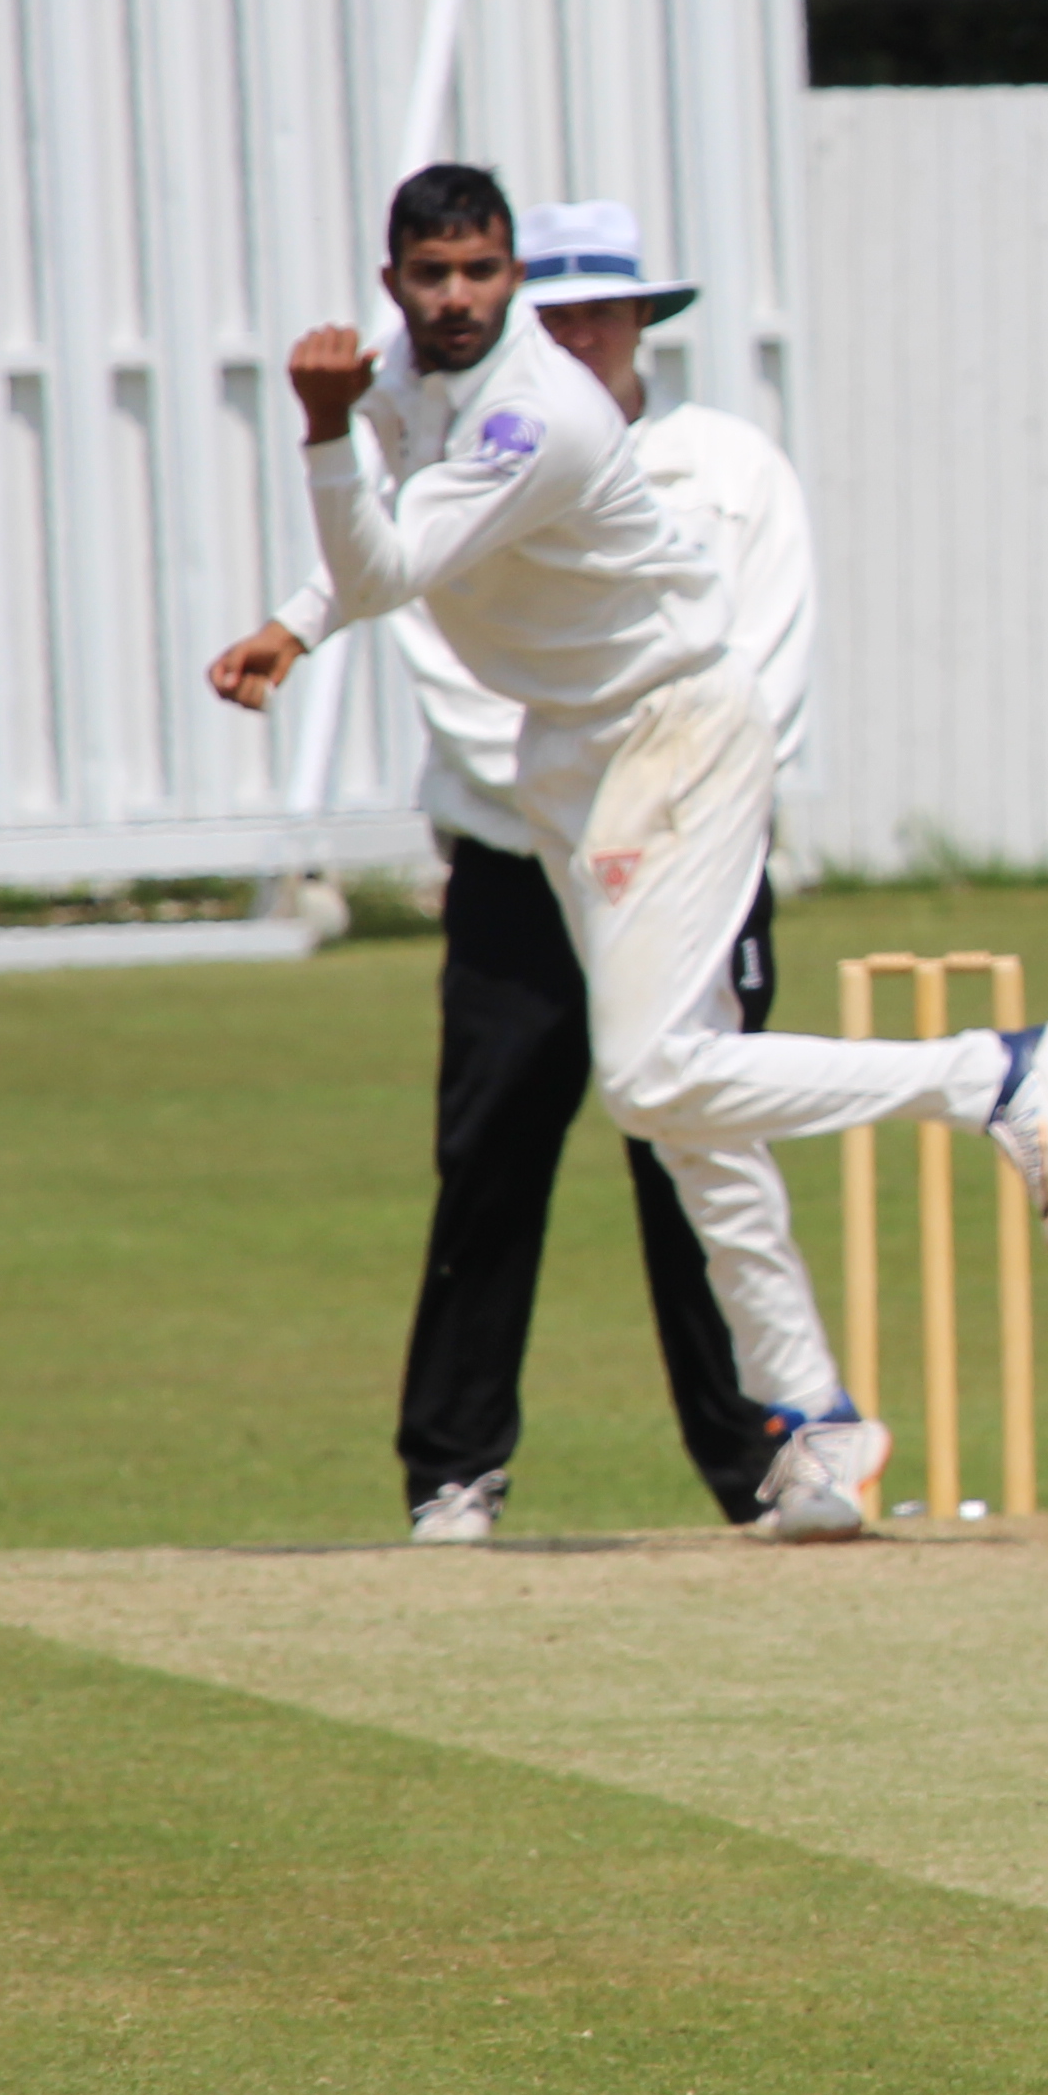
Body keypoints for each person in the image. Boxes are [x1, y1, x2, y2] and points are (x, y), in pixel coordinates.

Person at [206, 162, 1048, 1546]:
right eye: (433, 276)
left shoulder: (535, 415)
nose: (458, 300)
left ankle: (995, 1074)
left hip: (673, 729)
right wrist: (294, 619)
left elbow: (386, 566)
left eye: (479, 275)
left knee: (652, 1075)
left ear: (515, 284)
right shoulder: (409, 372)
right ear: (396, 282)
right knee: (684, 1112)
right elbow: (379, 544)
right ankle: (818, 1426)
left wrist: (321, 452)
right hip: (567, 755)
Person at [354, 200, 834, 1544]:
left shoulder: (726, 465)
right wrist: (580, 808)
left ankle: (764, 1464)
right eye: (551, 316)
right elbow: (458, 669)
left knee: (700, 1143)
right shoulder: (459, 453)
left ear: (640, 321)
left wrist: (684, 812)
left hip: (690, 850)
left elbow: (763, 664)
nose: (576, 336)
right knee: (493, 1155)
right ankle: (454, 1471)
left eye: (600, 314)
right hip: (522, 854)